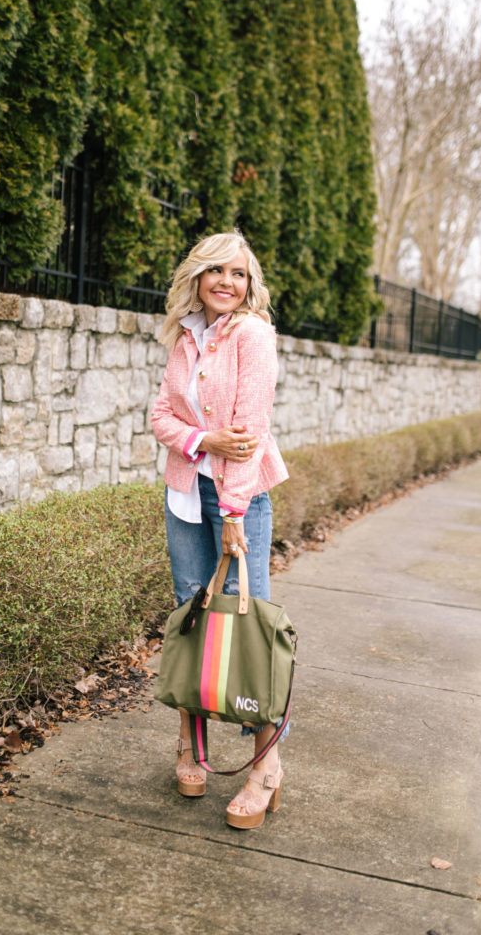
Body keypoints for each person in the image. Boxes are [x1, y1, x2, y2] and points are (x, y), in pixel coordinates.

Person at [151, 230, 289, 830]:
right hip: (185, 493)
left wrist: (233, 513)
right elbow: (159, 415)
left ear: (248, 283)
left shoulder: (253, 335)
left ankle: (266, 767)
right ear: (198, 279)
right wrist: (200, 439)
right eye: (216, 273)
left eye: (238, 273)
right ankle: (189, 748)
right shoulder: (185, 336)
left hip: (240, 498)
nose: (226, 283)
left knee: (246, 622)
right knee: (190, 617)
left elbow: (249, 430)